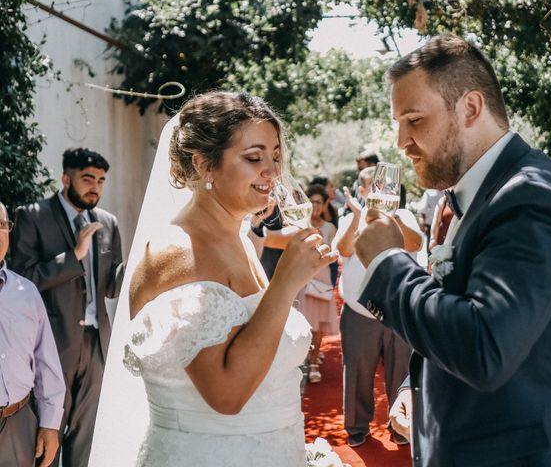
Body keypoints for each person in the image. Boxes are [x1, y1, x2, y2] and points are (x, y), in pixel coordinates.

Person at [354, 34, 551, 466]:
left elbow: (485, 346)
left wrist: (387, 266)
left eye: (415, 121)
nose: (401, 141)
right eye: (399, 123)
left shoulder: (531, 199)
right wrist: (414, 389)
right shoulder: (477, 196)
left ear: (471, 108)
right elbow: (459, 311)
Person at [122, 91, 338, 466]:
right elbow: (226, 395)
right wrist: (285, 283)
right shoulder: (177, 253)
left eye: (274, 156)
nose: (272, 172)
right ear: (205, 164)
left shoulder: (237, 240)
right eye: (254, 158)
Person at [10, 148, 125, 467]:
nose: (96, 187)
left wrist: (138, 267)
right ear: (65, 178)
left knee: (88, 437)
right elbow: (22, 279)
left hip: (97, 347)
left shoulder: (107, 222)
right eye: (88, 179)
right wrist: (73, 256)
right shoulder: (33, 216)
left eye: (101, 181)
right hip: (51, 346)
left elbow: (114, 286)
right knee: (48, 436)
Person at [334, 167, 419, 448]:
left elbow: (415, 243)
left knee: (401, 372)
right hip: (359, 313)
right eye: (373, 186)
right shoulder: (349, 218)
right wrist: (359, 217)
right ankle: (357, 428)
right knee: (357, 373)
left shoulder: (404, 216)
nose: (380, 191)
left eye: (385, 186)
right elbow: (344, 250)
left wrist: (391, 216)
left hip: (398, 312)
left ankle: (400, 425)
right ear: (361, 191)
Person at [0, 201, 66, 467]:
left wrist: (50, 425)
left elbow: (46, 362)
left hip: (19, 424)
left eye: (2, 225)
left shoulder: (26, 292)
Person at [296, 184, 339, 384]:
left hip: (321, 278)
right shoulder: (299, 225)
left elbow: (334, 256)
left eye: (319, 202)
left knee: (319, 324)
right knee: (302, 320)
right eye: (311, 201)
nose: (315, 206)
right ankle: (301, 359)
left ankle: (313, 362)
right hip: (302, 277)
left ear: (324, 205)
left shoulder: (330, 228)